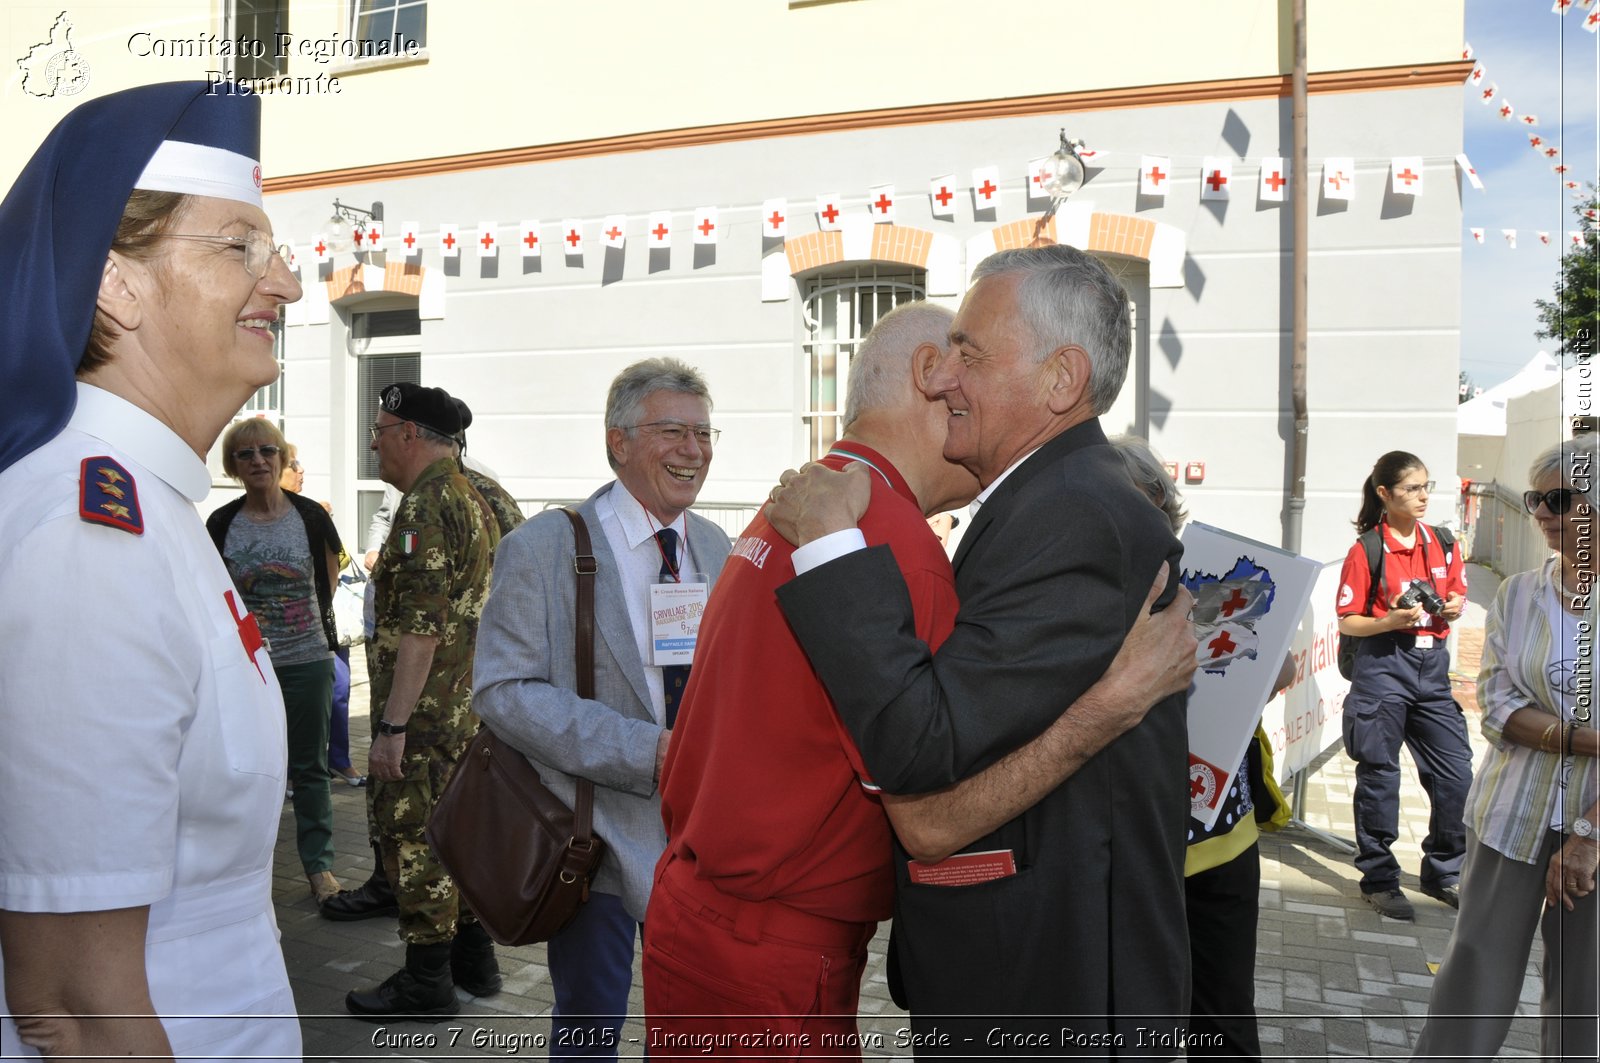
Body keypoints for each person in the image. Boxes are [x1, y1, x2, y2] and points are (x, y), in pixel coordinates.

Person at [645, 305, 1197, 1053]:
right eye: (961, 367)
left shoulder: (809, 505)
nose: (969, 400)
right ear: (928, 378)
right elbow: (929, 815)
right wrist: (1115, 701)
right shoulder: (892, 548)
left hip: (699, 909)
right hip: (769, 946)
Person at [0, 81, 303, 1059]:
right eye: (238, 247)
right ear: (116, 285)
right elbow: (76, 1009)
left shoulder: (149, 510)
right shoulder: (91, 536)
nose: (288, 284)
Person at [475, 358, 731, 1060]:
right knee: (589, 1028)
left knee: (696, 1024)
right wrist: (645, 749)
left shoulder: (714, 546)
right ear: (618, 440)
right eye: (673, 430)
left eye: (705, 434)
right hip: (597, 843)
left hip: (701, 837)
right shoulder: (543, 548)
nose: (694, 449)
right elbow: (502, 690)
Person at [1412, 438, 1599, 1060]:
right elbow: (1495, 703)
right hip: (1511, 815)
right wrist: (1590, 741)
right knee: (1473, 973)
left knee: (1586, 993)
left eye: (1560, 499)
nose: (1541, 511)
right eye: (1535, 497)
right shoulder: (1518, 593)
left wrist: (1587, 836)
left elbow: (1521, 710)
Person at [1111, 435, 1292, 1062]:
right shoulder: (1092, 587)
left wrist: (1255, 673)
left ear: (1160, 503)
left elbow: (1284, 664)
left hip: (1217, 840)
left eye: (1127, 500)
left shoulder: (1202, 581)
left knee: (1221, 1020)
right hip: (1136, 848)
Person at [343, 382, 500, 1021]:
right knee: (457, 834)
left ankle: (425, 981)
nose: (374, 442)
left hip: (426, 717)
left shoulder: (426, 506)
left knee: (417, 841)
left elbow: (421, 625)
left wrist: (391, 727)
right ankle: (474, 958)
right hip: (465, 708)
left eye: (380, 430)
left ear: (410, 436)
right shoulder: (478, 495)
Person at [206, 418, 345, 906]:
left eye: (268, 450)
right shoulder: (221, 524)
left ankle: (320, 870)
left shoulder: (310, 516)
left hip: (307, 659)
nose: (259, 460)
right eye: (246, 454)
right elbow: (216, 596)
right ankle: (243, 873)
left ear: (282, 458)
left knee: (309, 769)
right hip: (248, 667)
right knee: (246, 770)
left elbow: (327, 582)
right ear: (233, 466)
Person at [1335, 450, 1472, 920]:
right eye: (1412, 488)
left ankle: (1444, 870)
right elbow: (1349, 622)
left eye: (1426, 486)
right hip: (1382, 668)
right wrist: (1389, 619)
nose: (1423, 496)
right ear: (1384, 494)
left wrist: (1453, 606)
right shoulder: (1367, 549)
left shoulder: (1444, 541)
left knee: (1456, 776)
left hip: (1432, 672)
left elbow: (1456, 593)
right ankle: (1379, 878)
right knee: (1379, 778)